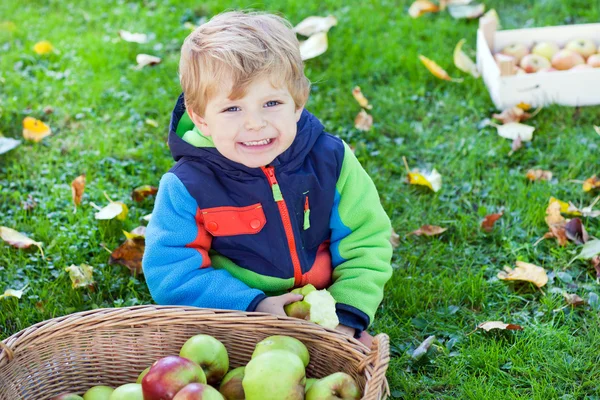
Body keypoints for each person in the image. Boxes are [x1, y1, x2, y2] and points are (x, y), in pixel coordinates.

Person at [142, 10, 393, 347]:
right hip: (237, 318)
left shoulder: (332, 160)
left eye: (271, 102)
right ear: (200, 118)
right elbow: (171, 271)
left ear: (298, 102)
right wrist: (252, 306)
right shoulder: (187, 187)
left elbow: (366, 239)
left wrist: (347, 312)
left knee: (353, 361)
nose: (255, 124)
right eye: (232, 109)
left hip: (325, 307)